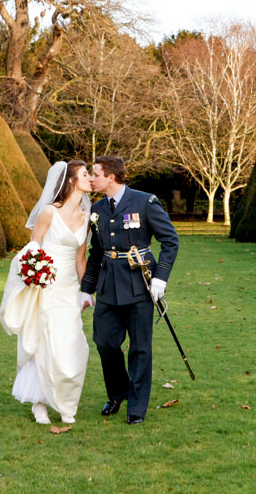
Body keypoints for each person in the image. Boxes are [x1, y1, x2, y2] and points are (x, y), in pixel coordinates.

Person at [79, 155, 180, 425]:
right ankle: (118, 393)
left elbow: (170, 240)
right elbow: (97, 250)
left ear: (111, 177)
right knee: (105, 343)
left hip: (139, 284)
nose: (92, 178)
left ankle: (136, 407)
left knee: (140, 349)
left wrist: (161, 277)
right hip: (108, 287)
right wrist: (86, 288)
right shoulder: (97, 207)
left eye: (96, 174)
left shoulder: (144, 202)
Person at [0, 160, 92, 424]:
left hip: (69, 289)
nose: (89, 178)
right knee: (44, 343)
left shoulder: (87, 217)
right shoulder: (50, 212)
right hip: (46, 286)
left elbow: (81, 258)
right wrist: (36, 273)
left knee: (72, 345)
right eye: (85, 174)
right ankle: (40, 403)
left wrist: (84, 291)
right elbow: (32, 247)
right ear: (72, 181)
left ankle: (65, 402)